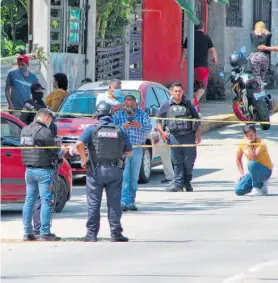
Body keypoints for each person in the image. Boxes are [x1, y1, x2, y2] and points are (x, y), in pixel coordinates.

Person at [76, 101, 133, 242]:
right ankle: (115, 234)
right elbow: (129, 152)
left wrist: (84, 159)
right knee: (114, 203)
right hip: (115, 170)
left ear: (98, 114)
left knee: (94, 204)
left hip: (95, 170)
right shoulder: (120, 130)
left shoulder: (91, 129)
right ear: (111, 114)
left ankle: (91, 235)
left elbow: (79, 144)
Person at [20, 108, 67, 241]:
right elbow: (54, 152)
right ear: (46, 117)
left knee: (29, 201)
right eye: (51, 119)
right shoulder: (44, 132)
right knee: (46, 201)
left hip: (29, 171)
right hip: (43, 171)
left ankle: (27, 232)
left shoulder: (25, 130)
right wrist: (63, 150)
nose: (51, 122)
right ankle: (45, 232)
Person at [156, 83, 201, 192]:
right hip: (174, 137)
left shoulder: (188, 104)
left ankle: (187, 182)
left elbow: (197, 120)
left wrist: (198, 135)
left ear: (182, 92)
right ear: (171, 92)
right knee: (177, 161)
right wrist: (162, 132)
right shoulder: (166, 105)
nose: (177, 93)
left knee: (189, 161)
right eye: (175, 91)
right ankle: (178, 184)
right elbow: (158, 119)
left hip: (189, 137)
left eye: (179, 91)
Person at [113, 95, 152, 211]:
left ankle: (131, 201)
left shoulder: (142, 114)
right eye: (126, 103)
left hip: (137, 149)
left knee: (134, 178)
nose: (129, 106)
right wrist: (122, 127)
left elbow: (149, 128)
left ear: (135, 103)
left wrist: (139, 126)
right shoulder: (118, 114)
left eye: (131, 103)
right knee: (124, 177)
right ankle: (123, 202)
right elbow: (112, 130)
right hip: (123, 150)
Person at [180, 23, 217, 112]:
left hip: (192, 67)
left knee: (195, 86)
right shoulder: (206, 37)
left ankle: (193, 105)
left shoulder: (189, 37)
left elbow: (184, 52)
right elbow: (213, 50)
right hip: (202, 66)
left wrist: (181, 63)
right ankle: (195, 100)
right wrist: (215, 58)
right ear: (202, 28)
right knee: (203, 87)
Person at [235, 125, 273, 196]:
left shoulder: (260, 142)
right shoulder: (243, 143)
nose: (249, 137)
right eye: (247, 136)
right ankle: (261, 184)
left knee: (252, 164)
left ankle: (256, 188)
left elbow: (254, 158)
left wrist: (248, 146)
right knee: (238, 190)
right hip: (253, 172)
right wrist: (242, 174)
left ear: (255, 134)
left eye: (251, 135)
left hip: (265, 170)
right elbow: (238, 159)